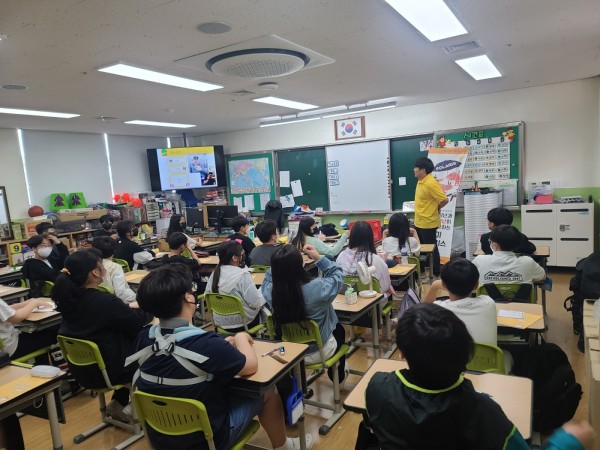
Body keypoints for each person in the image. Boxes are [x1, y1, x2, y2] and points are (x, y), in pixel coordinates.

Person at [363, 303, 595, 450]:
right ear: (465, 355)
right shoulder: (483, 411)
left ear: (402, 353)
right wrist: (567, 442)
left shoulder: (377, 388)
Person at [131, 264, 313, 450]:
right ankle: (284, 446)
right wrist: (241, 338)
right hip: (205, 440)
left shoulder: (144, 337)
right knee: (267, 390)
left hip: (159, 437)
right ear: (188, 297)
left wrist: (221, 348)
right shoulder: (207, 345)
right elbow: (250, 366)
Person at [52, 249, 153, 423]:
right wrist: (149, 306)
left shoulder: (68, 300)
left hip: (84, 371)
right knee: (154, 344)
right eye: (101, 266)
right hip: (111, 370)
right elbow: (136, 322)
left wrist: (125, 309)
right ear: (95, 272)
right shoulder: (105, 301)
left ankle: (118, 401)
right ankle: (138, 408)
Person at [261, 244, 348, 384]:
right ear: (300, 264)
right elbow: (338, 274)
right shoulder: (318, 288)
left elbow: (267, 279)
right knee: (339, 330)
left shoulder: (272, 292)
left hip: (290, 351)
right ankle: (338, 372)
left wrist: (280, 263)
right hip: (319, 352)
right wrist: (318, 258)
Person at [204, 240, 266, 332]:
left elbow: (207, 295)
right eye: (242, 253)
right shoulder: (242, 275)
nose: (244, 255)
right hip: (243, 323)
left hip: (220, 322)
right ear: (235, 258)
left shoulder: (215, 273)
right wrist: (263, 291)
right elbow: (256, 303)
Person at [473, 225, 546, 285]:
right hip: (520, 299)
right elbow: (542, 276)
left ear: (494, 245)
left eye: (490, 241)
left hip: (487, 299)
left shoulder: (480, 260)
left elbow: (471, 278)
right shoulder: (527, 262)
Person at [336, 221, 393, 297]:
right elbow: (385, 285)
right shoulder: (375, 258)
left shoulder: (341, 256)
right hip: (373, 301)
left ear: (351, 236)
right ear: (370, 237)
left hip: (347, 299)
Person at [413, 157, 448, 278]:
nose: (414, 170)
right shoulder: (421, 180)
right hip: (419, 221)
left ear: (423, 170)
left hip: (428, 222)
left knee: (431, 249)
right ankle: (422, 272)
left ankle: (437, 273)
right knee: (419, 248)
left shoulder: (431, 183)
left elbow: (444, 199)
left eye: (416, 168)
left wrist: (436, 208)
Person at [92, 236, 137, 303]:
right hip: (114, 302)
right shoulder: (115, 267)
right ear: (114, 250)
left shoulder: (90, 265)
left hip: (96, 301)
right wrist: (136, 297)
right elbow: (121, 293)